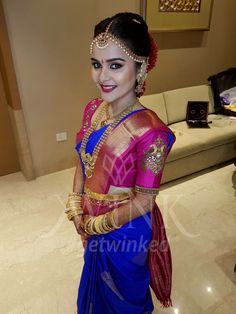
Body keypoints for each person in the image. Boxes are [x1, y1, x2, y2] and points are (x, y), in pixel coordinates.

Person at [65, 12, 176, 314]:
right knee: (95, 289)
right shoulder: (92, 110)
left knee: (124, 297)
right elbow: (82, 159)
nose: (103, 77)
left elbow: (144, 201)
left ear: (140, 68)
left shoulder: (151, 133)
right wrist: (75, 203)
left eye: (116, 65)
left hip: (124, 231)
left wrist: (98, 225)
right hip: (91, 219)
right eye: (96, 64)